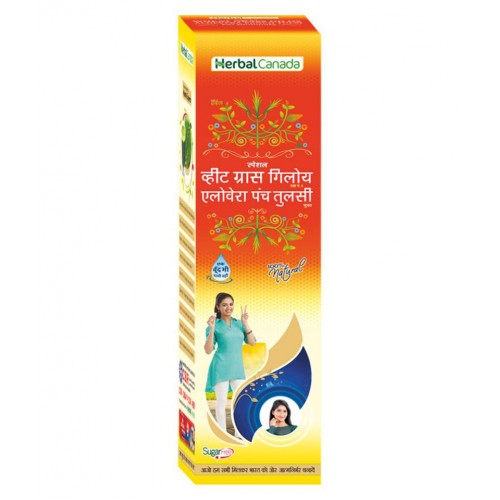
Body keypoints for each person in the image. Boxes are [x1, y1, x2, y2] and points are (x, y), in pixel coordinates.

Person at [205, 293, 256, 434]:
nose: (229, 307)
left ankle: (239, 434)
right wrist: (211, 329)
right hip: (220, 367)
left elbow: (252, 342)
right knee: (221, 403)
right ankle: (222, 433)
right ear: (218, 307)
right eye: (224, 305)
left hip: (237, 368)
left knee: (241, 401)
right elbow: (208, 350)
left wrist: (245, 323)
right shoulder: (214, 325)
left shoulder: (239, 324)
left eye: (231, 304)